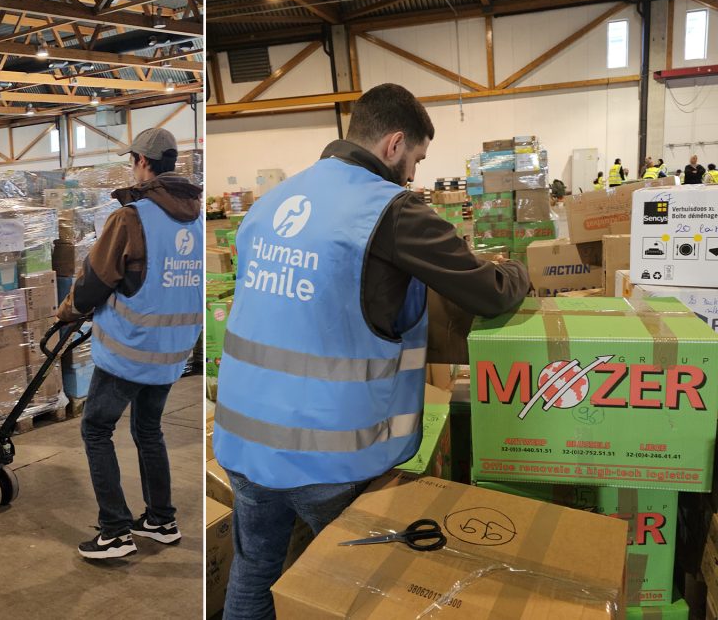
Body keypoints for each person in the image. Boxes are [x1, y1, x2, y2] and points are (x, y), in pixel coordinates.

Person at [214, 83, 531, 619]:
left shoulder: (272, 203)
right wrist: (519, 269)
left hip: (244, 440)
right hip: (327, 455)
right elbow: (489, 291)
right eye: (416, 160)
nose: (413, 175)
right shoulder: (389, 210)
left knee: (255, 573)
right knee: (351, 593)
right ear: (395, 143)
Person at [56, 127, 203, 560]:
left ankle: (115, 531)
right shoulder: (195, 218)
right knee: (148, 429)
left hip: (130, 349)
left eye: (132, 161)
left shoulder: (132, 217)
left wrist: (68, 311)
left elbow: (96, 279)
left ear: (142, 161)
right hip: (172, 350)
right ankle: (161, 520)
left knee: (96, 429)